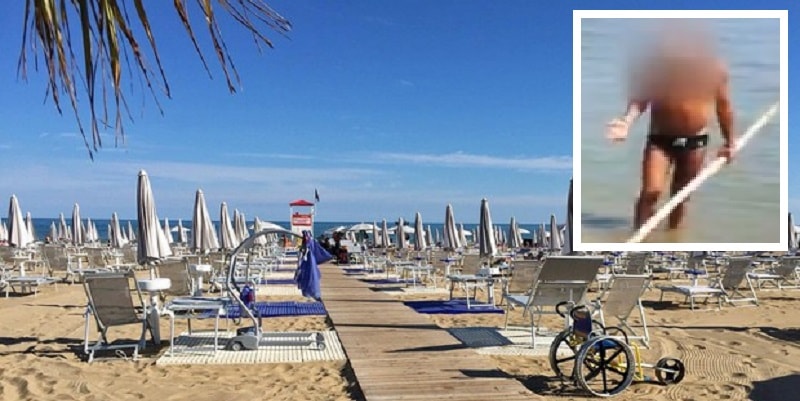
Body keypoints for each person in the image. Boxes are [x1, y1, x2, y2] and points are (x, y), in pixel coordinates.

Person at [605, 23, 736, 233]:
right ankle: (639, 240)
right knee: (651, 192)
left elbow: (724, 107)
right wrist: (626, 122)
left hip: (696, 142)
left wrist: (729, 142)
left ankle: (672, 241)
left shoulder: (715, 68)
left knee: (681, 198)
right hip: (660, 141)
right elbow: (640, 100)